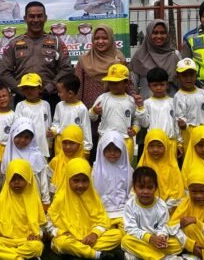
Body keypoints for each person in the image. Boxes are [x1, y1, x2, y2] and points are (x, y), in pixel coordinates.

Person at [47, 158, 124, 260]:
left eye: (84, 180)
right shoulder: (60, 198)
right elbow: (49, 223)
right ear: (68, 179)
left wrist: (94, 234)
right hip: (69, 238)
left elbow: (103, 220)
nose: (80, 185)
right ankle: (98, 255)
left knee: (117, 235)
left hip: (89, 238)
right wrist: (59, 232)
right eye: (76, 181)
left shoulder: (93, 197)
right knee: (62, 243)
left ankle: (76, 253)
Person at [0, 1, 73, 109]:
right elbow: (4, 73)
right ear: (25, 18)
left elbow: (67, 69)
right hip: (22, 99)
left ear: (45, 18)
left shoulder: (57, 42)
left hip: (50, 98)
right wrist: (20, 90)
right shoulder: (14, 43)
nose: (36, 20)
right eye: (32, 16)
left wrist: (50, 87)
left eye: (39, 16)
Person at [0, 159, 46, 260]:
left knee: (37, 246)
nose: (16, 182)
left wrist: (37, 234)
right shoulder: (3, 198)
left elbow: (40, 223)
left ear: (28, 178)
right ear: (8, 179)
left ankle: (2, 256)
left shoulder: (34, 198)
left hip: (25, 239)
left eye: (21, 178)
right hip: (6, 238)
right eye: (13, 178)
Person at [120, 166, 187, 260]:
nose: (145, 191)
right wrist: (149, 238)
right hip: (139, 239)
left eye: (150, 187)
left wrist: (162, 237)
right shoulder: (130, 205)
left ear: (156, 188)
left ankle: (139, 256)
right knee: (126, 241)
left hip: (156, 241)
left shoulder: (161, 205)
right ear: (134, 188)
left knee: (178, 244)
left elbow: (164, 226)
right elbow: (131, 229)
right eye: (141, 187)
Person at [75, 24, 127, 158]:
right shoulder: (84, 60)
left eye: (104, 38)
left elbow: (128, 83)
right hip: (89, 112)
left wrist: (134, 100)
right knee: (90, 149)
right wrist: (78, 111)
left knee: (112, 150)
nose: (100, 41)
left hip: (113, 113)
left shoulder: (119, 59)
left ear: (111, 39)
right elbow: (78, 87)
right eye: (97, 38)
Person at [89, 64, 145, 160]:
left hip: (125, 139)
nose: (113, 85)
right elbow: (91, 117)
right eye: (111, 82)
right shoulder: (103, 98)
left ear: (126, 82)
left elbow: (137, 119)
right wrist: (94, 111)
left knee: (125, 166)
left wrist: (135, 129)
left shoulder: (131, 101)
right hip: (105, 138)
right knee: (104, 165)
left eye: (117, 82)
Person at [0, 117, 51, 209]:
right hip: (13, 202)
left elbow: (43, 180)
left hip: (33, 200)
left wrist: (46, 200)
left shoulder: (36, 156)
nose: (23, 140)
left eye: (27, 137)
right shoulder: (8, 156)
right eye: (19, 136)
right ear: (13, 135)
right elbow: (3, 181)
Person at [139, 67, 183, 160]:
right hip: (153, 143)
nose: (159, 88)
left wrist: (179, 142)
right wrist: (140, 108)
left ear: (167, 85)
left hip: (170, 141)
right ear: (149, 86)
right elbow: (144, 124)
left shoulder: (173, 102)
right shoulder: (147, 103)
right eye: (155, 85)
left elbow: (176, 124)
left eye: (162, 84)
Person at [136, 129, 185, 211]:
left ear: (166, 147)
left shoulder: (172, 167)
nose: (155, 149)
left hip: (167, 209)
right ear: (146, 147)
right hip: (144, 207)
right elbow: (136, 189)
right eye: (151, 146)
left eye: (159, 146)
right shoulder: (143, 166)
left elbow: (177, 192)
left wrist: (164, 208)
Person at [129, 20, 181, 96]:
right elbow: (133, 83)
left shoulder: (174, 55)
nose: (159, 36)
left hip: (171, 101)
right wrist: (135, 97)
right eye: (155, 33)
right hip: (146, 101)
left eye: (163, 33)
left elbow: (181, 82)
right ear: (149, 34)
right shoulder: (140, 55)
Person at [92, 132, 132, 229]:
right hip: (102, 210)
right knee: (103, 229)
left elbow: (131, 191)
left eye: (116, 150)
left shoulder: (128, 170)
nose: (112, 153)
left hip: (123, 210)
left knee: (127, 230)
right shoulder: (96, 170)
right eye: (108, 149)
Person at [173, 58, 204, 149]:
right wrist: (180, 142)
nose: (188, 78)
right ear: (177, 76)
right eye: (184, 75)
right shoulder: (178, 97)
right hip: (189, 134)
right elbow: (178, 120)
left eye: (191, 75)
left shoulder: (203, 93)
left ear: (196, 75)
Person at [50, 74, 91, 157]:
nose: (58, 94)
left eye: (60, 92)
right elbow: (56, 123)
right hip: (60, 144)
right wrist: (53, 130)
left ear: (70, 93)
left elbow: (86, 130)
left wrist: (87, 149)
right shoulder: (59, 106)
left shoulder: (82, 109)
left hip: (76, 145)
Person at [14, 73, 52, 158]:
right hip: (26, 148)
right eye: (26, 88)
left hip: (43, 147)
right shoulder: (20, 106)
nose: (29, 91)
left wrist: (50, 142)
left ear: (40, 88)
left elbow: (49, 125)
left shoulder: (46, 105)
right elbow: (18, 128)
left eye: (32, 88)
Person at [47, 125, 85, 195]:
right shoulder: (55, 162)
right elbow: (46, 184)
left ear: (80, 145)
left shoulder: (84, 166)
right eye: (64, 143)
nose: (67, 147)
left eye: (72, 143)